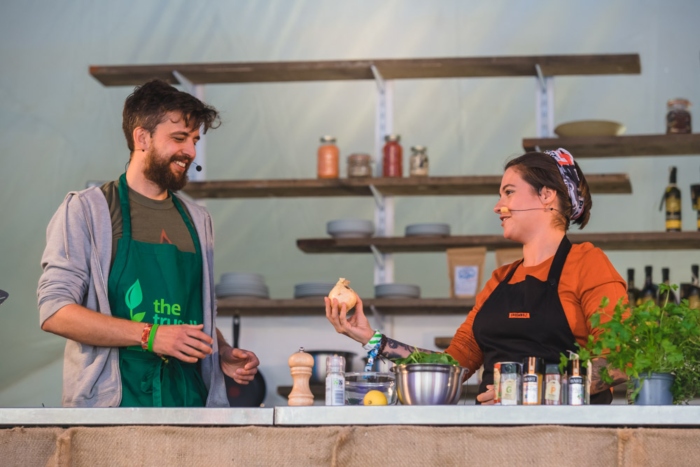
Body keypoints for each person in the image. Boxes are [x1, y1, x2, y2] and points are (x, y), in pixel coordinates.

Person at [326, 148, 627, 404]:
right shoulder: (501, 279)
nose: (498, 206)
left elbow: (620, 360)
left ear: (547, 195)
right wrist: (369, 337)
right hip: (492, 436)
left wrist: (524, 392)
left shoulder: (588, 263)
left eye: (509, 192)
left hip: (570, 439)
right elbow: (452, 366)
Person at [38, 79, 260, 407]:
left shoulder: (198, 220)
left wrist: (222, 351)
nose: (191, 152)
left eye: (195, 140)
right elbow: (55, 311)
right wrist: (150, 335)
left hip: (189, 405)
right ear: (142, 137)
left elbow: (196, 314)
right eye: (179, 138)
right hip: (112, 406)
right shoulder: (86, 210)